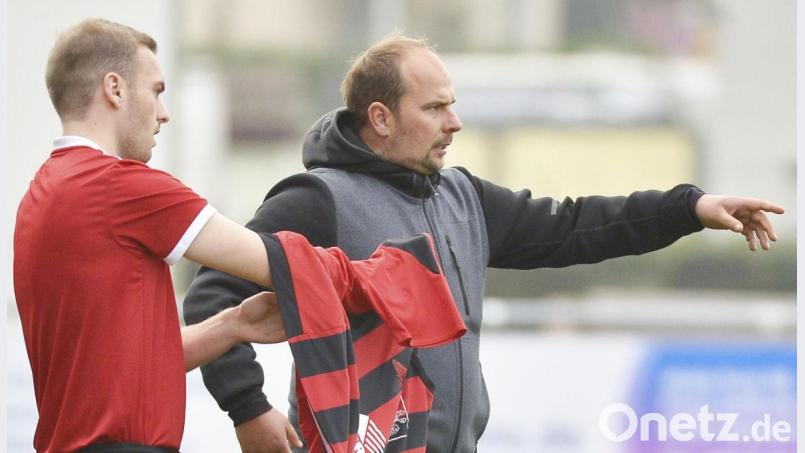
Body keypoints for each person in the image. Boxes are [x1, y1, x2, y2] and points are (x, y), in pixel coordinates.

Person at [182, 35, 784, 453]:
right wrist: (248, 408)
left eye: (454, 104)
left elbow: (571, 227)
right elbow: (211, 295)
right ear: (381, 118)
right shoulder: (318, 201)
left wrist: (689, 209)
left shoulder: (461, 195)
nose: (455, 122)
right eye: (436, 107)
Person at [13, 19, 304, 453]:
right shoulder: (120, 185)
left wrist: (232, 324)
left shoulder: (40, 195)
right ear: (115, 89)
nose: (163, 112)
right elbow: (274, 262)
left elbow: (117, 370)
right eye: (156, 90)